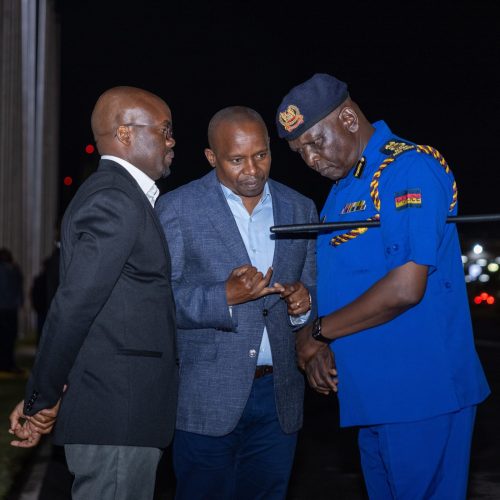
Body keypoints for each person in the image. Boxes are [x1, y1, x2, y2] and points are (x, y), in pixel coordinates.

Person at [275, 73, 490, 499]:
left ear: (350, 119)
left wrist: (318, 333)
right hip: (372, 392)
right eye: (301, 152)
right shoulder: (344, 188)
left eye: (316, 142)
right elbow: (347, 282)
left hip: (418, 391)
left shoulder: (407, 168)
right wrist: (325, 345)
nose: (312, 159)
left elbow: (405, 287)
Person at [9, 86, 178, 500]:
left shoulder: (122, 197)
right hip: (117, 414)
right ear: (125, 134)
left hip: (119, 413)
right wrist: (40, 397)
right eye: (165, 129)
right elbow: (73, 307)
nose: (172, 140)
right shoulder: (115, 200)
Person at [155, 106, 324, 500]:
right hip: (204, 398)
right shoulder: (178, 208)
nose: (252, 170)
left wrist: (304, 307)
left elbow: (314, 293)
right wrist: (224, 297)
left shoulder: (300, 208)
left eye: (261, 155)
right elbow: (160, 302)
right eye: (236, 159)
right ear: (212, 158)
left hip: (279, 396)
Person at [0, 247, 24, 373]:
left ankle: (5, 362)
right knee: (9, 338)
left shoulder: (13, 270)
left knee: (5, 337)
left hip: (5, 308)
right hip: (9, 308)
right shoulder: (14, 270)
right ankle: (7, 363)